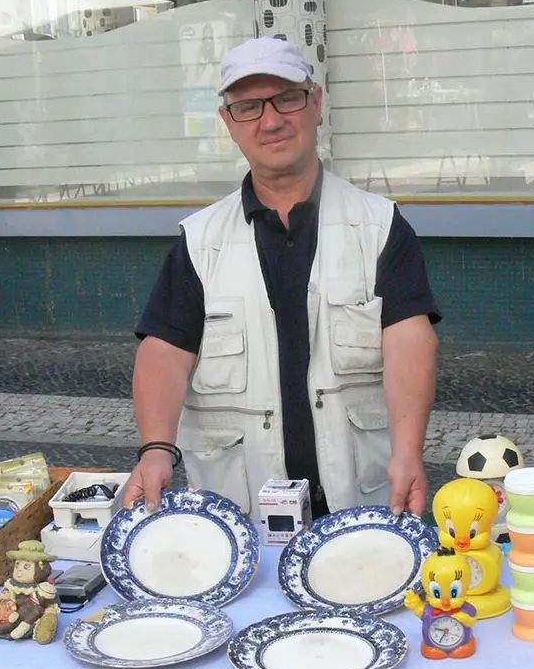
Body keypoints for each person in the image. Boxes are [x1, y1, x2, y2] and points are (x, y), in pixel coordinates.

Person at [125, 37, 441, 520]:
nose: (271, 121)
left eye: (287, 98)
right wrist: (155, 450)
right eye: (248, 107)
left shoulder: (378, 226)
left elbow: (409, 339)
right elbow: (164, 352)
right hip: (241, 513)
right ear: (229, 123)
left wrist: (409, 451)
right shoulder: (200, 241)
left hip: (362, 504)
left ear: (316, 103)